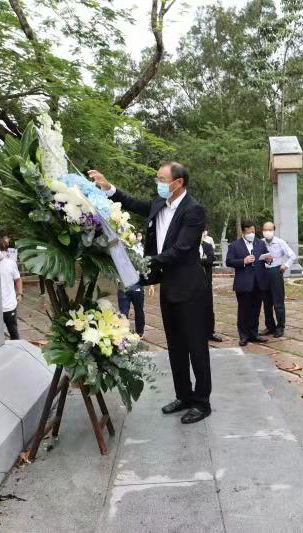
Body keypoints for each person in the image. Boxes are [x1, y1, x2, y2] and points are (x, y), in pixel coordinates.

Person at [89, 163, 212, 425]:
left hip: (190, 289)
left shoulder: (193, 210)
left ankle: (202, 402)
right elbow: (133, 203)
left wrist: (142, 263)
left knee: (196, 347)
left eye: (162, 179)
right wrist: (108, 188)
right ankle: (183, 396)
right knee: (175, 346)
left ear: (178, 182)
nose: (158, 183)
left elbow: (181, 249)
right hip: (169, 286)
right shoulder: (159, 204)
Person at [226, 221, 272, 346]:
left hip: (259, 282)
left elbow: (266, 257)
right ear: (243, 232)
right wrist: (243, 261)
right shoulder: (235, 245)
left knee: (256, 310)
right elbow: (229, 261)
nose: (252, 234)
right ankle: (243, 335)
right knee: (243, 310)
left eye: (253, 231)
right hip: (244, 282)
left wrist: (269, 259)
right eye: (249, 232)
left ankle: (253, 333)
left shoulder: (260, 243)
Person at [260, 221, 297, 338]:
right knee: (266, 302)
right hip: (263, 273)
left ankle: (280, 326)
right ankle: (270, 326)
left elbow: (292, 255)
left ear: (274, 230)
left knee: (278, 302)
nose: (267, 232)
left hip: (276, 272)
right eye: (265, 230)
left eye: (270, 229)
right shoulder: (260, 242)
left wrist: (285, 265)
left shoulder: (280, 242)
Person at [117, 240, 146, 337]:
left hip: (123, 283)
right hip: (136, 283)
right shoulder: (140, 249)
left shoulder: (119, 249)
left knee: (123, 311)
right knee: (139, 309)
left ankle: (122, 333)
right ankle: (140, 332)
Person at [200, 237, 223, 342]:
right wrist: (203, 260)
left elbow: (211, 259)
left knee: (209, 308)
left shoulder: (207, 246)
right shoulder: (189, 245)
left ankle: (210, 332)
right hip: (192, 283)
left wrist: (199, 261)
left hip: (206, 282)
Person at [0, 237, 22, 340]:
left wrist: (19, 294)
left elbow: (18, 279)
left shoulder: (10, 263)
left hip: (9, 305)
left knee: (13, 333)